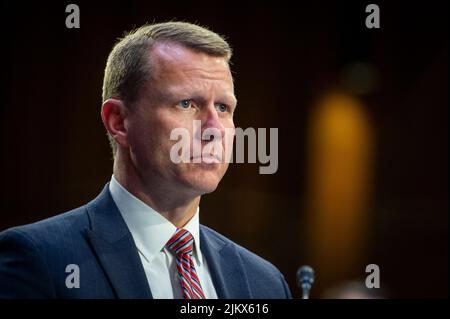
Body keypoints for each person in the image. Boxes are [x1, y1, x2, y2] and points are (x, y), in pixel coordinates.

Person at [0, 21, 292, 299]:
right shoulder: (40, 260)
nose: (214, 129)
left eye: (224, 108)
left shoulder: (265, 283)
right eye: (187, 104)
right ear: (119, 121)